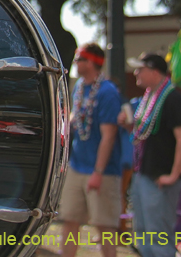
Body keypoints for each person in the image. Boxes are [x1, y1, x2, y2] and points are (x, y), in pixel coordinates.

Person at [118, 53, 181, 257]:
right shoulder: (150, 96)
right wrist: (129, 126)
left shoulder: (172, 98)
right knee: (142, 232)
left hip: (160, 178)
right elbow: (146, 134)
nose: (136, 73)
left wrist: (174, 175)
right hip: (143, 174)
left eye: (140, 69)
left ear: (155, 71)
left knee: (159, 235)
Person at [59, 42, 124, 257]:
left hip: (102, 171)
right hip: (77, 166)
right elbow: (77, 117)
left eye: (80, 59)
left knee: (104, 225)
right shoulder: (79, 87)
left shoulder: (107, 92)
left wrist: (98, 172)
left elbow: (109, 135)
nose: (75, 63)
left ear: (92, 62)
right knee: (69, 219)